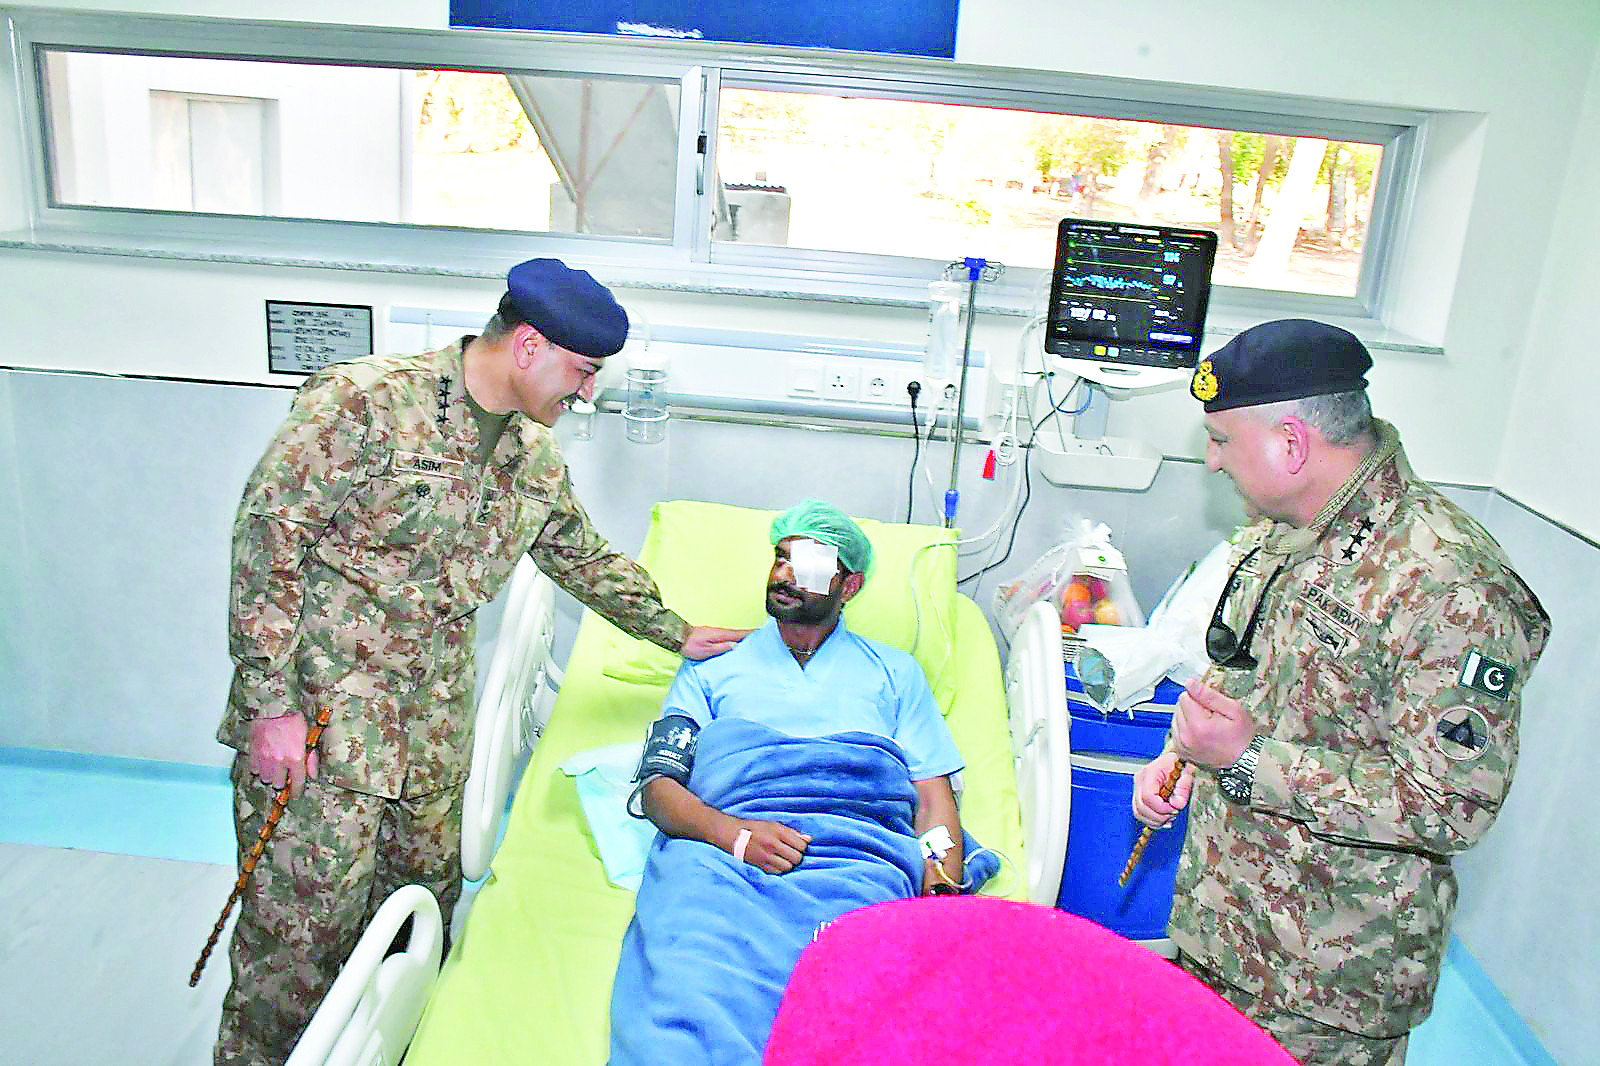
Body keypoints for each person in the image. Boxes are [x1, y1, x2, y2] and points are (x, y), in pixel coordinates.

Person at [213, 258, 747, 1066]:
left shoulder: (530, 455)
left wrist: (676, 632)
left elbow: (579, 556)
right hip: (323, 726)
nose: (586, 394)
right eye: (583, 372)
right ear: (528, 346)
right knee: (294, 954)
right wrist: (269, 708)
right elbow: (267, 542)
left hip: (430, 735)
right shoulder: (366, 403)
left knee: (417, 918)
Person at [1132, 319, 1550, 1065]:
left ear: (1291, 444)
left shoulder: (1447, 581)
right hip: (1222, 928)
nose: (1212, 460)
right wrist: (1182, 757)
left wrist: (1250, 756)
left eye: (1223, 441)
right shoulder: (1284, 530)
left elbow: (1453, 803)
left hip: (1326, 985)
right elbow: (1243, 669)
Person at [608, 501, 973, 1064]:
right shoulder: (711, 666)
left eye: (805, 564)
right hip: (719, 855)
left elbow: (930, 796)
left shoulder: (894, 672)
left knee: (860, 997)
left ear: (848, 587)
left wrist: (942, 882)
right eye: (780, 559)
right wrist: (734, 836)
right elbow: (660, 788)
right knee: (691, 980)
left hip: (855, 854)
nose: (782, 575)